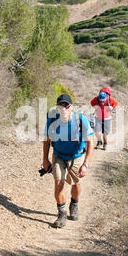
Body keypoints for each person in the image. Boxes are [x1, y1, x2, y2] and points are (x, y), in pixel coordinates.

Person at [43, 94, 95, 228]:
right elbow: (47, 141)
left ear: (71, 107)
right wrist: (45, 158)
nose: (64, 108)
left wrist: (86, 164)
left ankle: (74, 203)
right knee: (58, 184)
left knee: (75, 184)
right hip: (58, 156)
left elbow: (91, 142)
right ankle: (61, 214)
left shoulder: (80, 120)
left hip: (76, 156)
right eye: (61, 106)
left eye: (66, 106)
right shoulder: (52, 121)